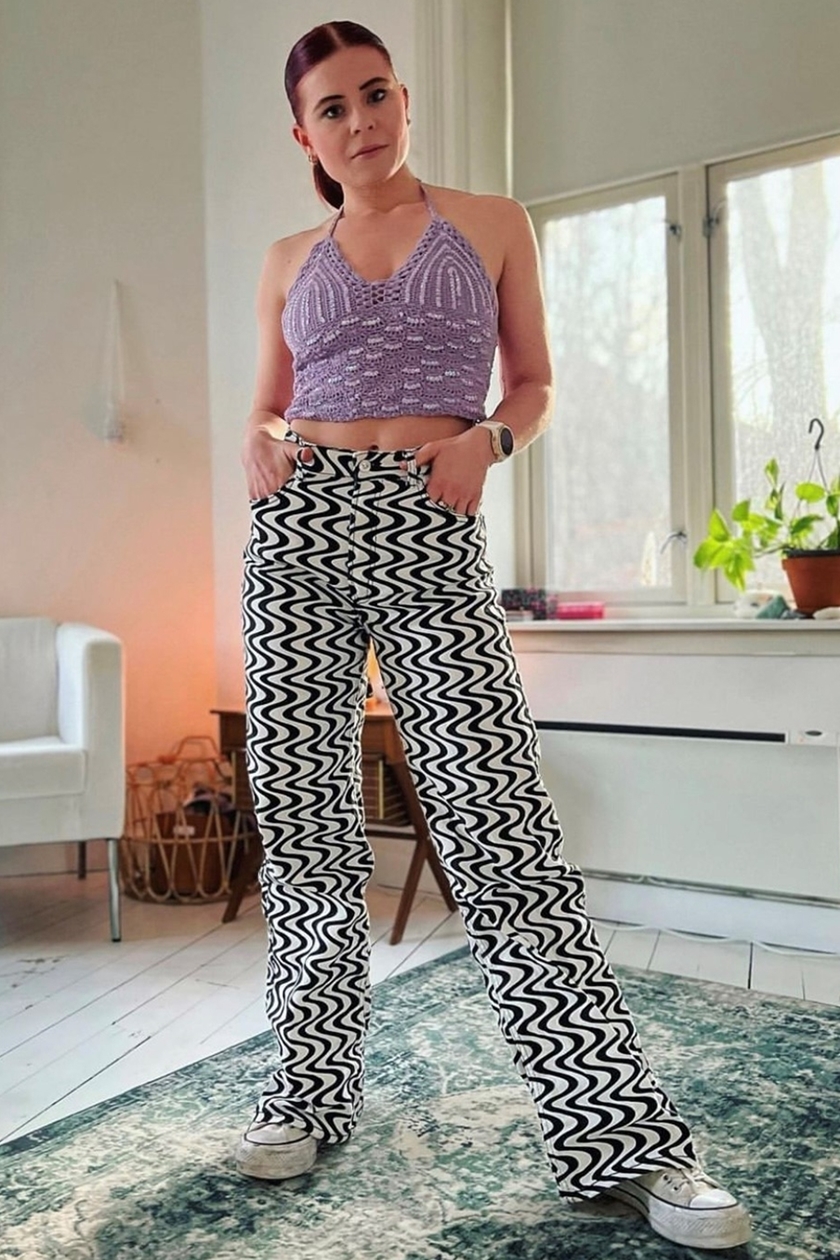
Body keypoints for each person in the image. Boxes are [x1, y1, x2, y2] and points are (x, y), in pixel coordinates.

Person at [236, 19, 752, 1252]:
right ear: (304, 137)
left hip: (429, 516)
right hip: (298, 530)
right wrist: (254, 440)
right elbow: (267, 399)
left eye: (374, 95)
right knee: (306, 830)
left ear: (404, 99)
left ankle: (629, 1144)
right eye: (332, 109)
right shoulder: (286, 257)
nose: (360, 122)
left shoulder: (490, 222)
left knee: (499, 829)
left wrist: (490, 440)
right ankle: (306, 1090)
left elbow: (536, 380)